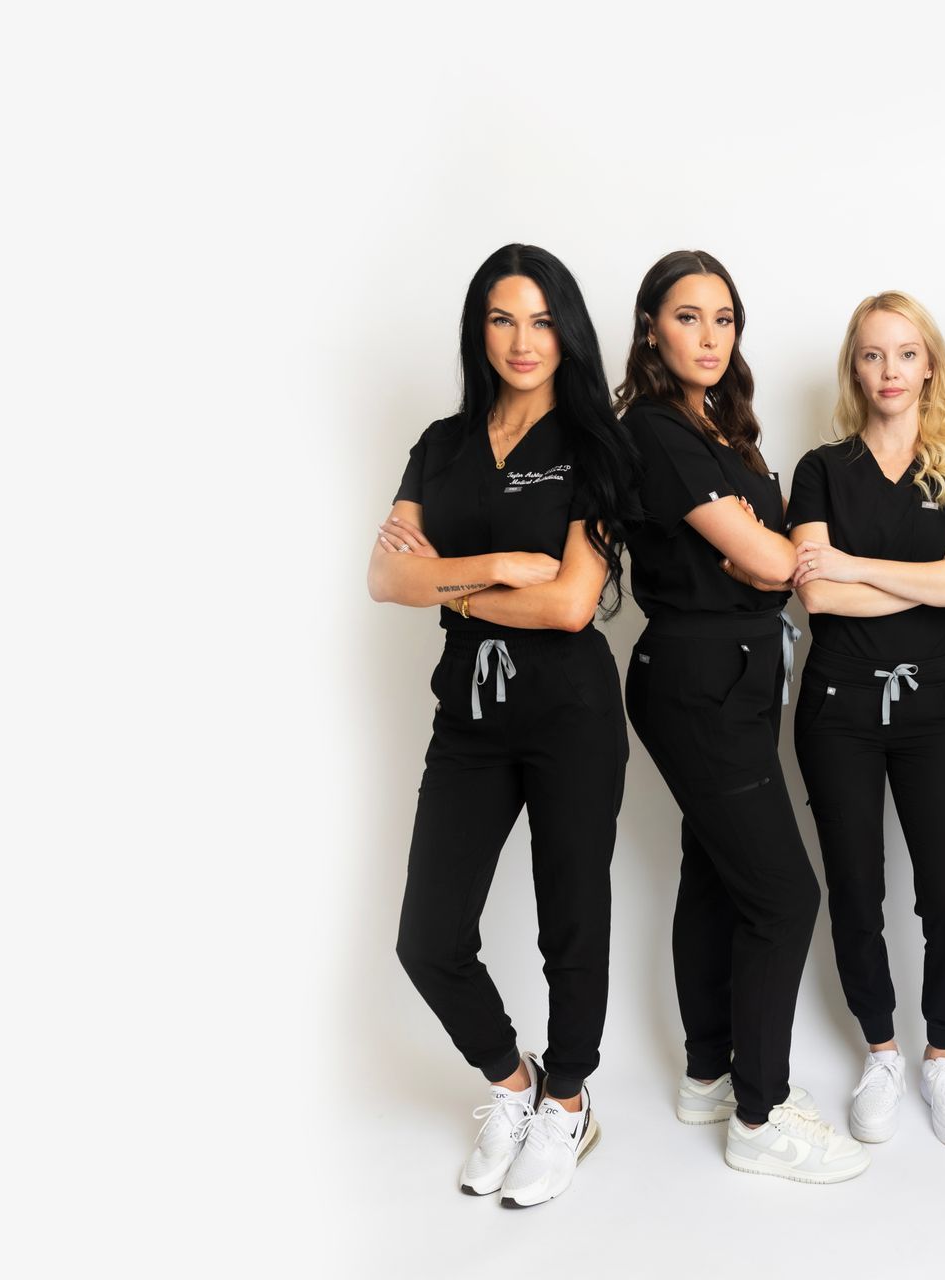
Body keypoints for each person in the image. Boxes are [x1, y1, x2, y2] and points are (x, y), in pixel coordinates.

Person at [369, 243, 639, 1208]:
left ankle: (568, 1101)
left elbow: (572, 606)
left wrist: (453, 581)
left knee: (573, 923)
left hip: (569, 713)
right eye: (501, 319)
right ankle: (512, 1083)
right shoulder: (440, 445)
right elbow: (382, 577)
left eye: (539, 320)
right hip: (470, 718)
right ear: (478, 330)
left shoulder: (598, 444)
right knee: (427, 936)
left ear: (566, 329)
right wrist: (502, 568)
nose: (522, 342)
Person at [615, 249, 867, 1183]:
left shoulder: (717, 428)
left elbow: (776, 546)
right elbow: (771, 563)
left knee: (718, 872)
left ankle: (710, 1074)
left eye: (724, 319)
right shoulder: (655, 430)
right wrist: (762, 556)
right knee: (785, 893)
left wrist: (765, 552)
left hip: (741, 669)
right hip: (696, 675)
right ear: (651, 327)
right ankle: (761, 1115)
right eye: (688, 317)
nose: (710, 337)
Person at [786, 292, 945, 1150]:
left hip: (934, 712)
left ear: (929, 365)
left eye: (905, 354)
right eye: (873, 355)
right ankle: (882, 1052)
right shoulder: (818, 469)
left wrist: (855, 563)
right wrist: (921, 573)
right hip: (837, 709)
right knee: (857, 891)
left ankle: (941, 1056)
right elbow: (818, 595)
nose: (889, 372)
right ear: (855, 367)